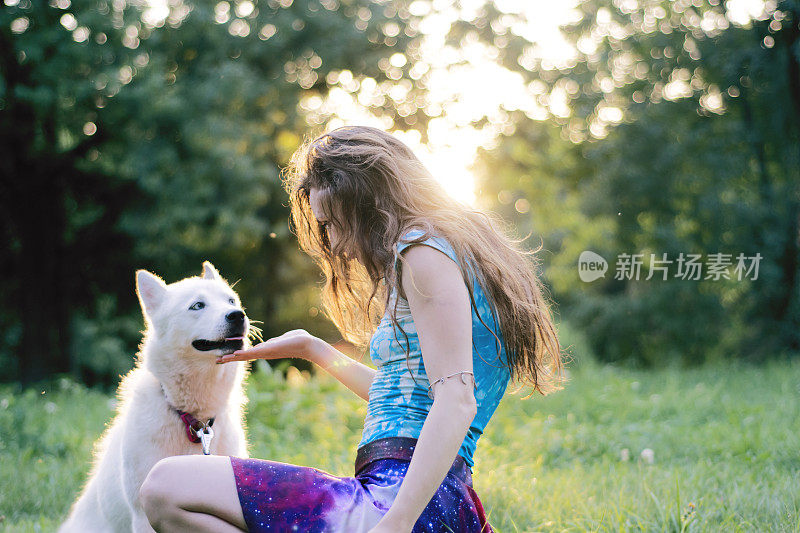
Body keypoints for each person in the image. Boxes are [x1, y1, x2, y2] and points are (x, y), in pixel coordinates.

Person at [140, 125, 566, 532]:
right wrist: (312, 349)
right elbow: (408, 396)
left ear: (364, 202)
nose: (335, 244)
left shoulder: (421, 251)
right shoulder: (442, 252)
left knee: (164, 486)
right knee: (172, 491)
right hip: (424, 498)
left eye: (330, 224)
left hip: (402, 501)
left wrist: (395, 523)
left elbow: (456, 401)